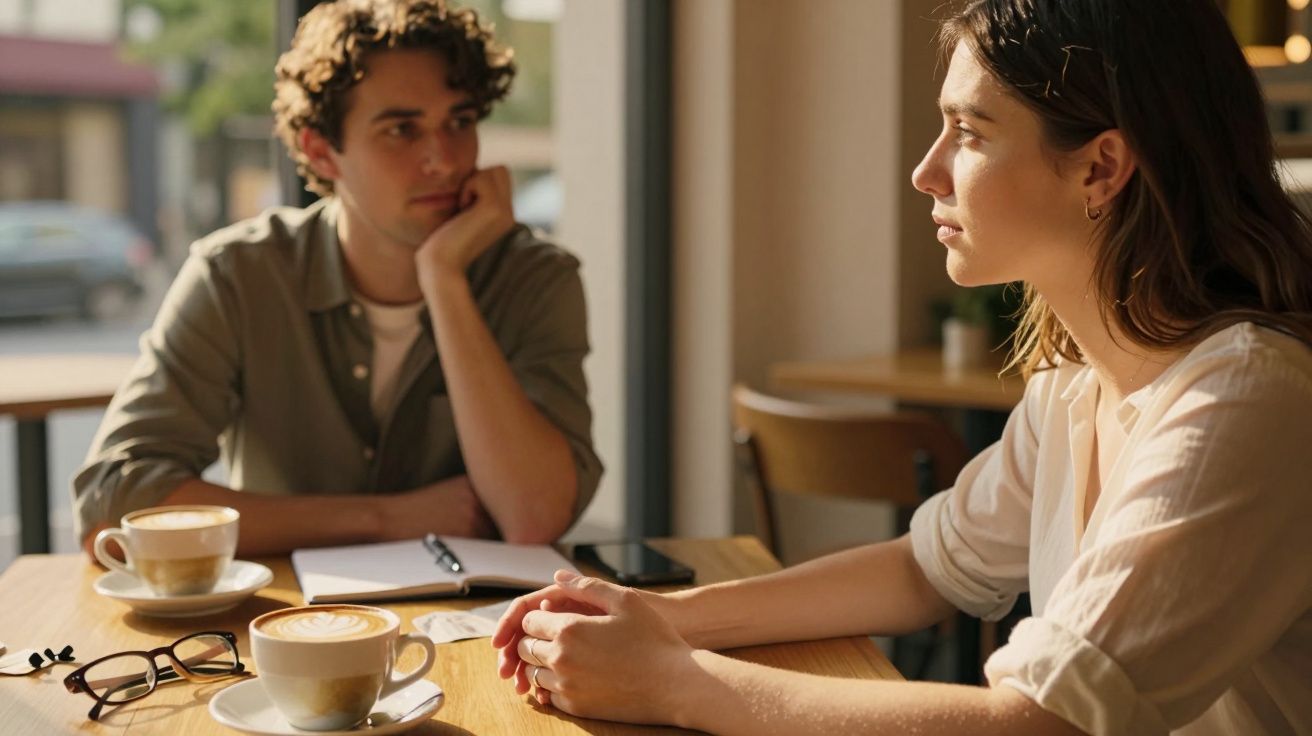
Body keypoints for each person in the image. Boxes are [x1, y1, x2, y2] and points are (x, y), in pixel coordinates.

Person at [491, 1, 1312, 733]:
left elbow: (1042, 723)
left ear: (1100, 167)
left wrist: (672, 682)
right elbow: (924, 569)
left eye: (970, 132)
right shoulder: (1074, 385)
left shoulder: (1246, 398)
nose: (926, 171)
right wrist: (662, 619)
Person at [73, 0, 602, 557]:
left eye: (460, 122)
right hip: (281, 607)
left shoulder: (535, 278)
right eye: (402, 129)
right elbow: (113, 503)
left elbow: (533, 518)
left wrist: (444, 280)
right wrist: (384, 518)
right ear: (321, 152)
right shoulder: (239, 275)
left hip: (482, 610)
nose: (444, 161)